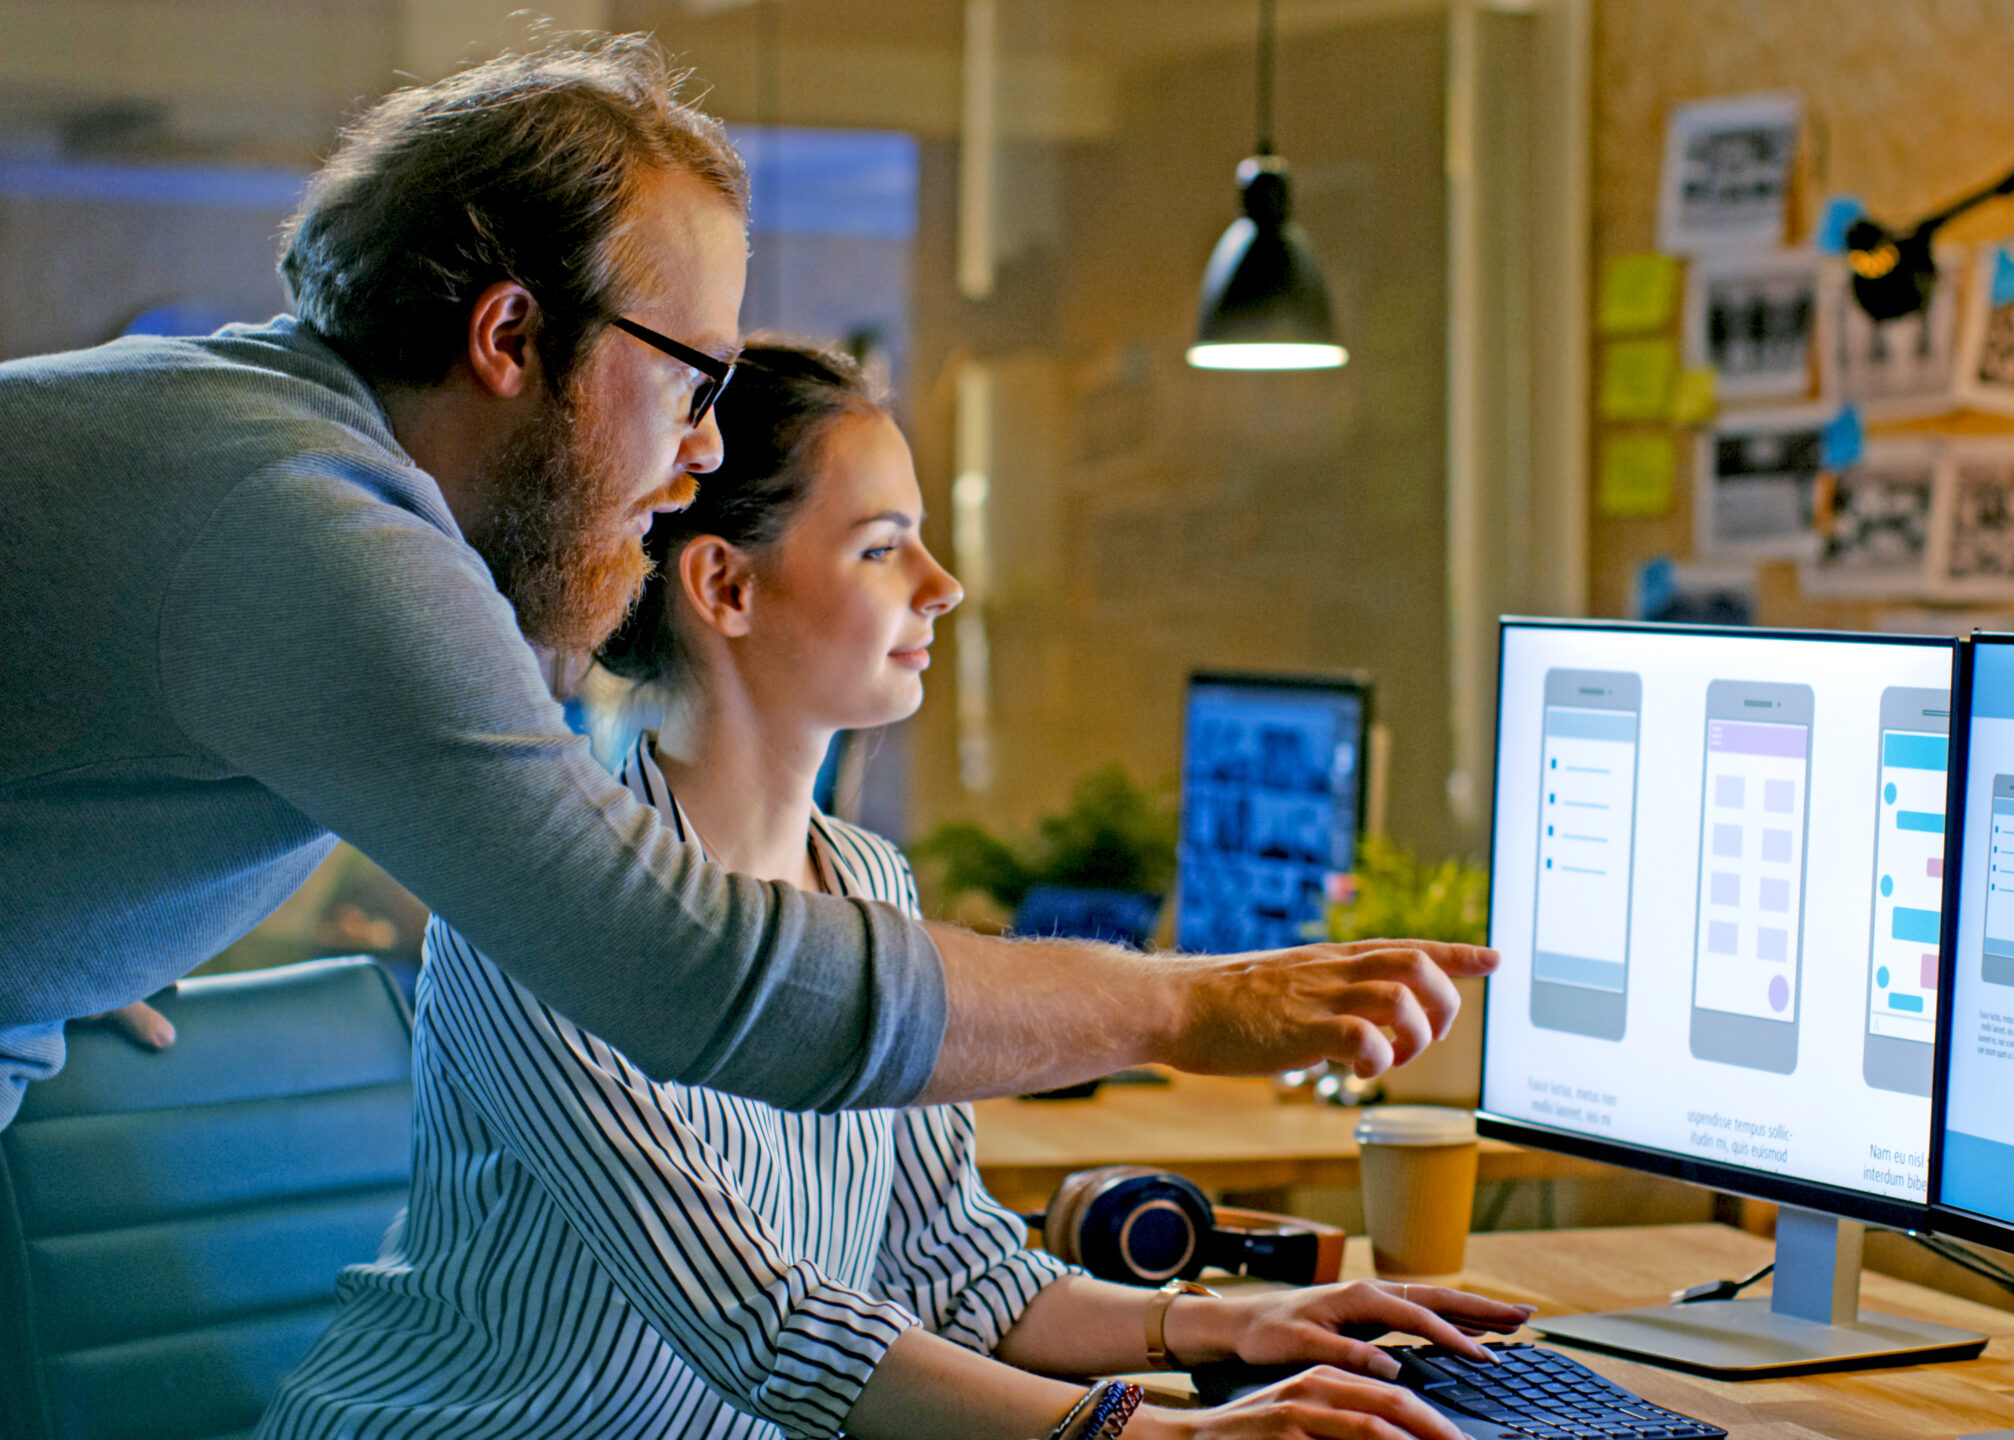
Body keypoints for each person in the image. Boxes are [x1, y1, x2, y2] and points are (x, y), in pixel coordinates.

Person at [0, 34, 1494, 1131]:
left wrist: (75, 929)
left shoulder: (257, 454)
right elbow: (694, 975)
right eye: (691, 377)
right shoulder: (314, 529)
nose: (703, 448)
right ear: (511, 339)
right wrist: (1193, 1002)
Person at [259, 340, 1527, 1440]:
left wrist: (1236, 1326)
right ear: (725, 587)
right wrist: (1172, 1434)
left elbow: (953, 1272)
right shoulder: (540, 914)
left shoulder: (868, 884)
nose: (943, 584)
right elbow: (765, 1324)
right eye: (881, 548)